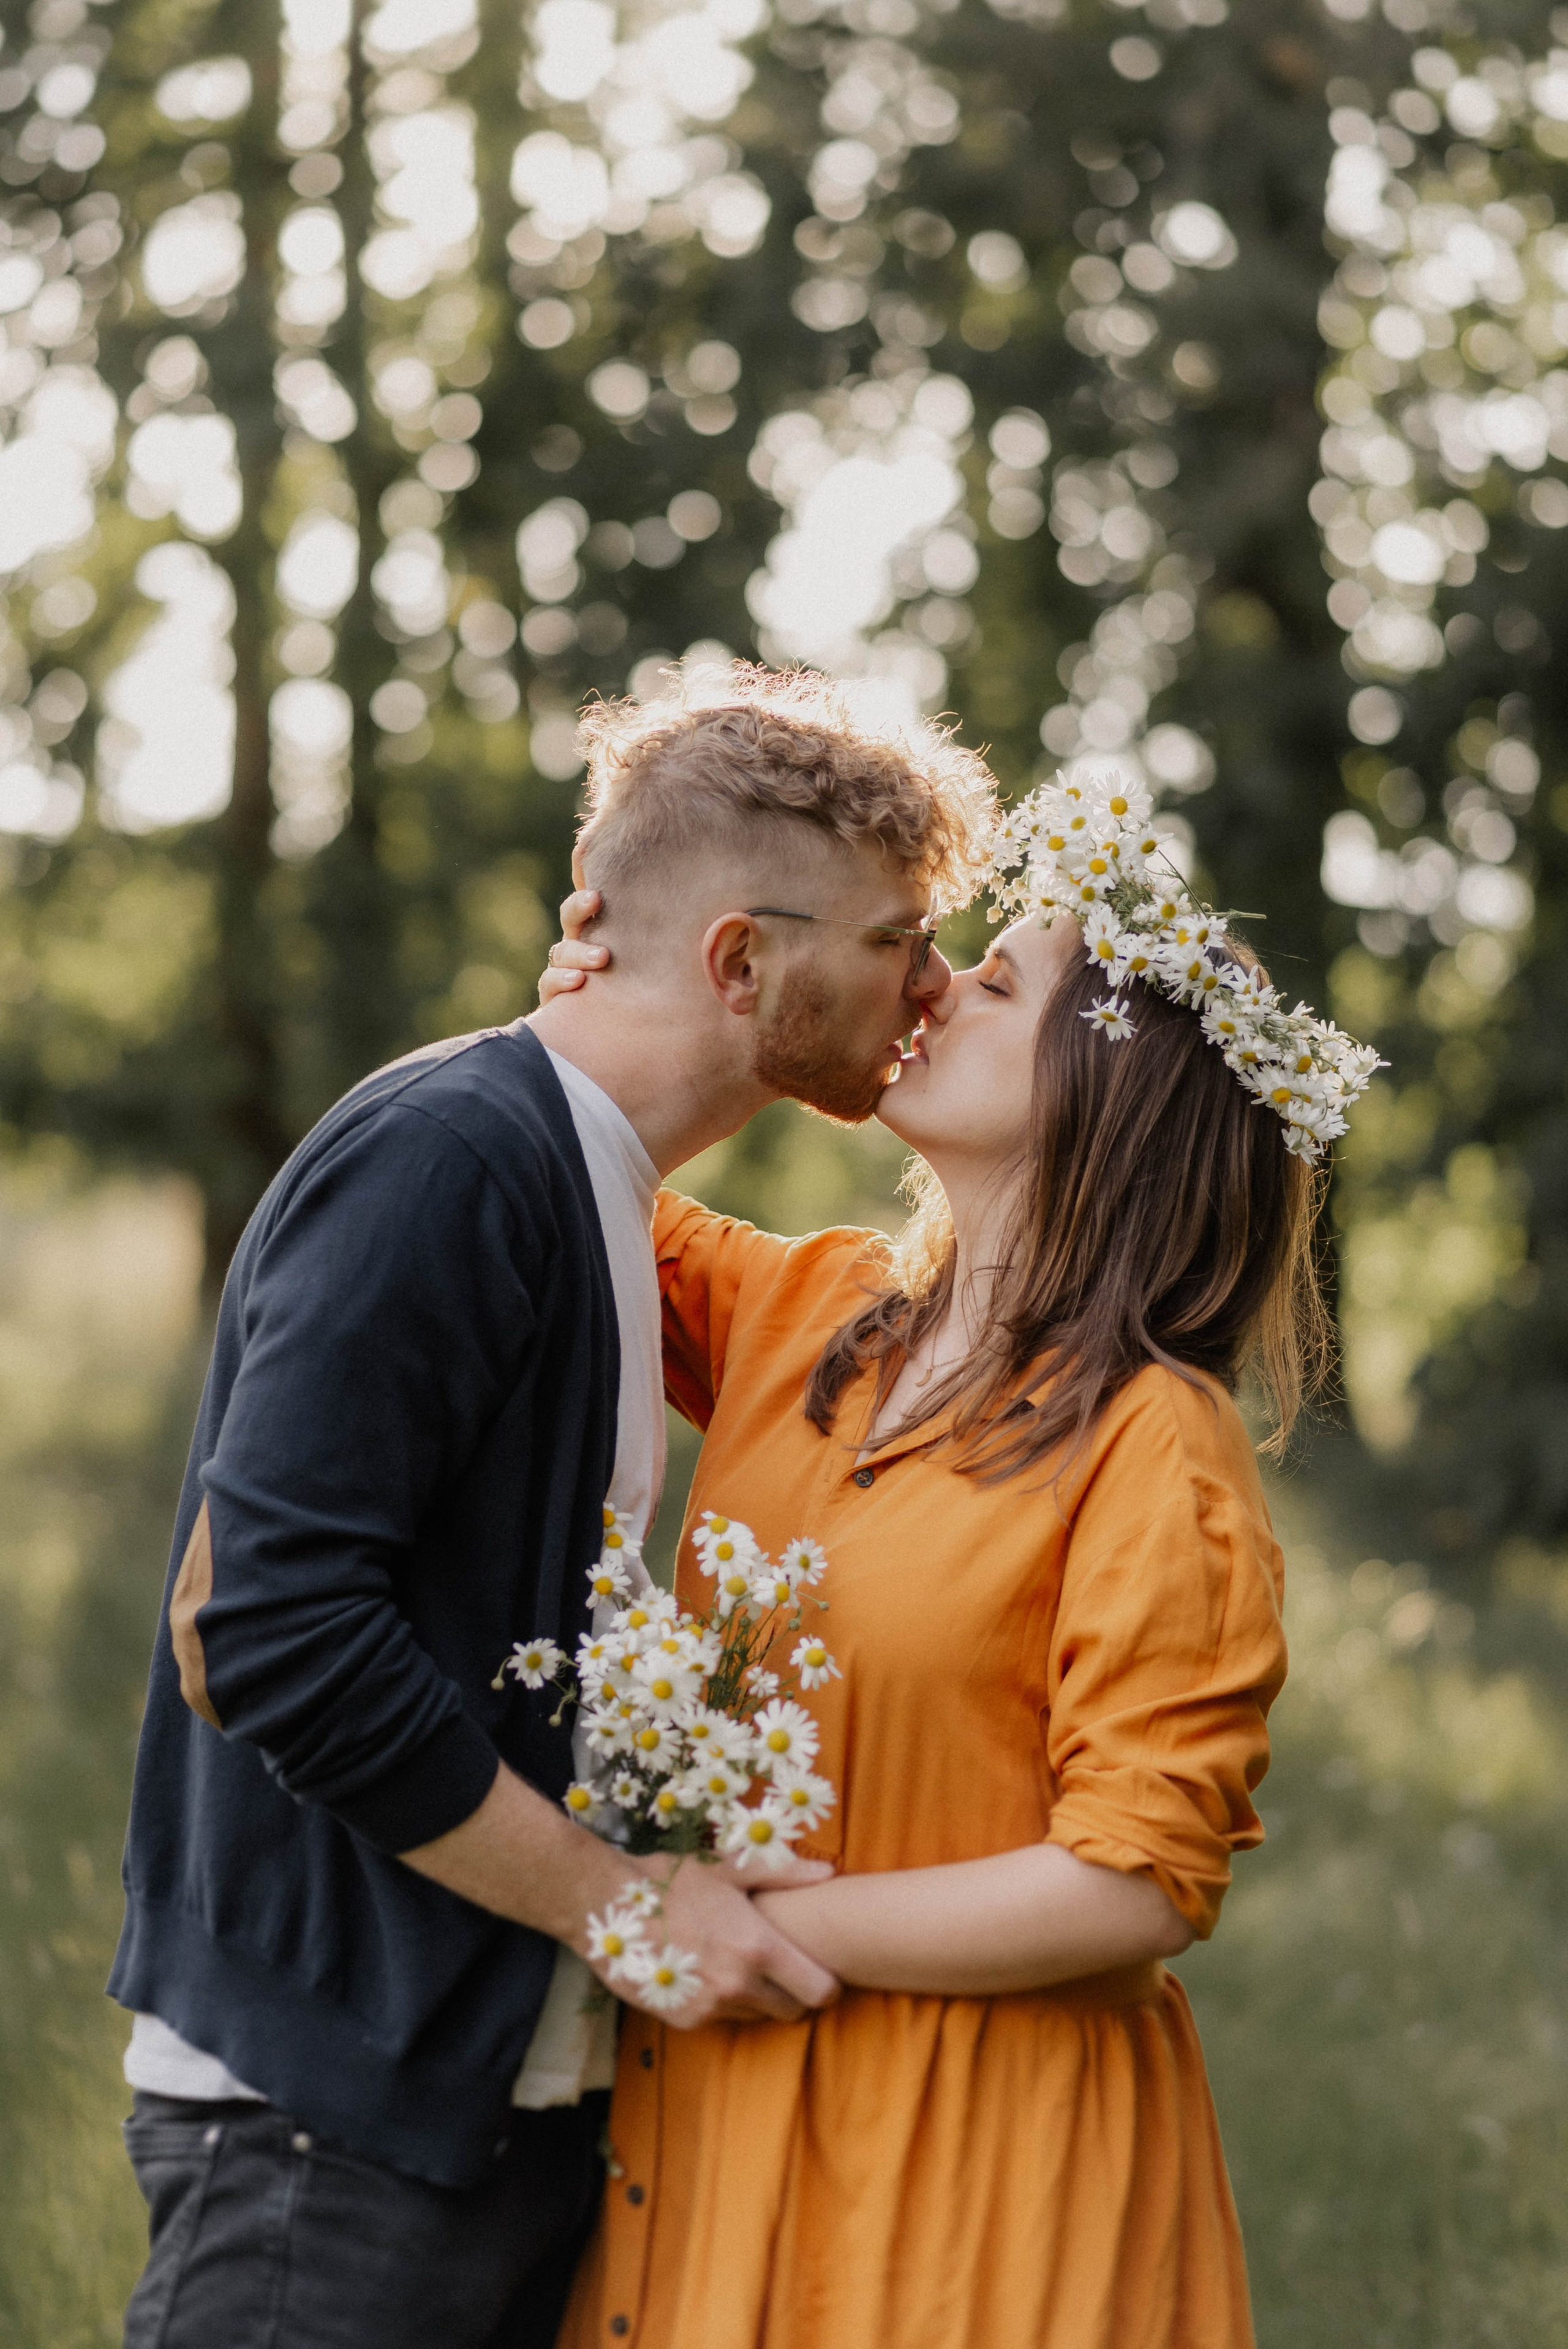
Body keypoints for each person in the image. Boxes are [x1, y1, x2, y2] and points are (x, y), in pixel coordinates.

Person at [109, 665, 997, 2349]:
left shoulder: (584, 1178)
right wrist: (623, 1899)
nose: (935, 985)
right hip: (328, 2125)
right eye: (898, 940)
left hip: (474, 2100)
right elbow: (262, 1627)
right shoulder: (455, 1156)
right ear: (743, 959)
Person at [541, 763, 1376, 2349]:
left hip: (986, 2162)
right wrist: (621, 984)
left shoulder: (1154, 1439)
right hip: (717, 2106)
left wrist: (742, 1921)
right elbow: (567, 1171)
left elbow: (1132, 1879)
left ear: (1109, 1094)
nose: (928, 987)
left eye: (994, 981)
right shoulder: (808, 1306)